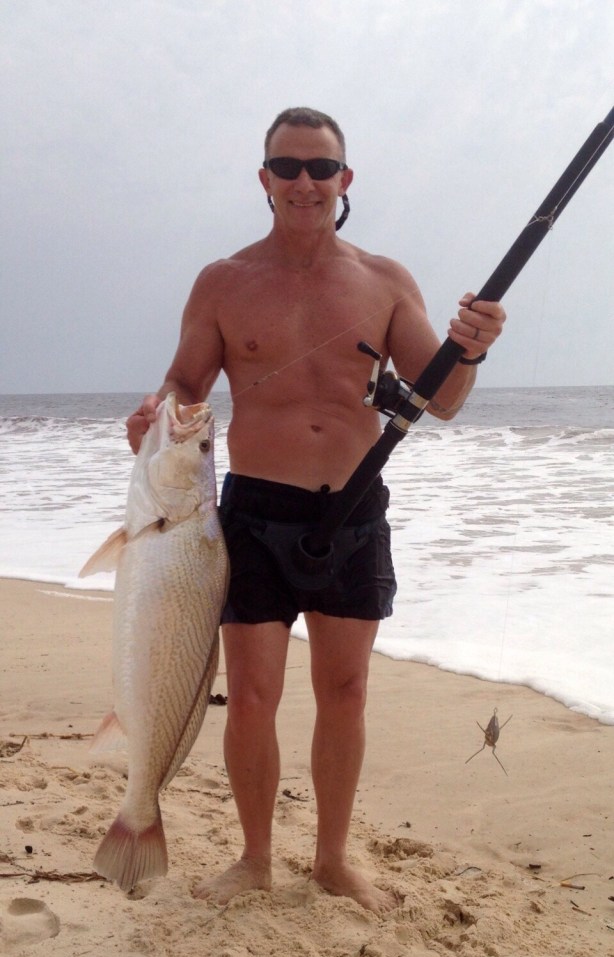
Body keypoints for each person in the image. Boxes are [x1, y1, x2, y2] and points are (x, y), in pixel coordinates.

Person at [127, 107, 506, 914]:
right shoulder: (223, 281)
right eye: (287, 167)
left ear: (345, 180)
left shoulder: (384, 279)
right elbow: (187, 383)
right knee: (253, 694)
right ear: (264, 179)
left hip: (355, 504)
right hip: (254, 510)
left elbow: (439, 400)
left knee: (346, 688)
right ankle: (256, 857)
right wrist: (156, 411)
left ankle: (332, 857)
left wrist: (468, 347)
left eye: (320, 167)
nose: (305, 182)